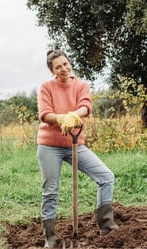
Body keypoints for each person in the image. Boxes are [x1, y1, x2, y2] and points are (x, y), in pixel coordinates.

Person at [36, 49, 118, 248]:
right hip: (49, 146)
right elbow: (45, 113)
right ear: (52, 71)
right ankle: (50, 238)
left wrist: (74, 115)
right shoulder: (46, 87)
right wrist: (61, 118)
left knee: (106, 177)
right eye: (58, 67)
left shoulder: (81, 85)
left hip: (75, 144)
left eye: (65, 64)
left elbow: (86, 106)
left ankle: (106, 227)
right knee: (51, 191)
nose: (64, 69)